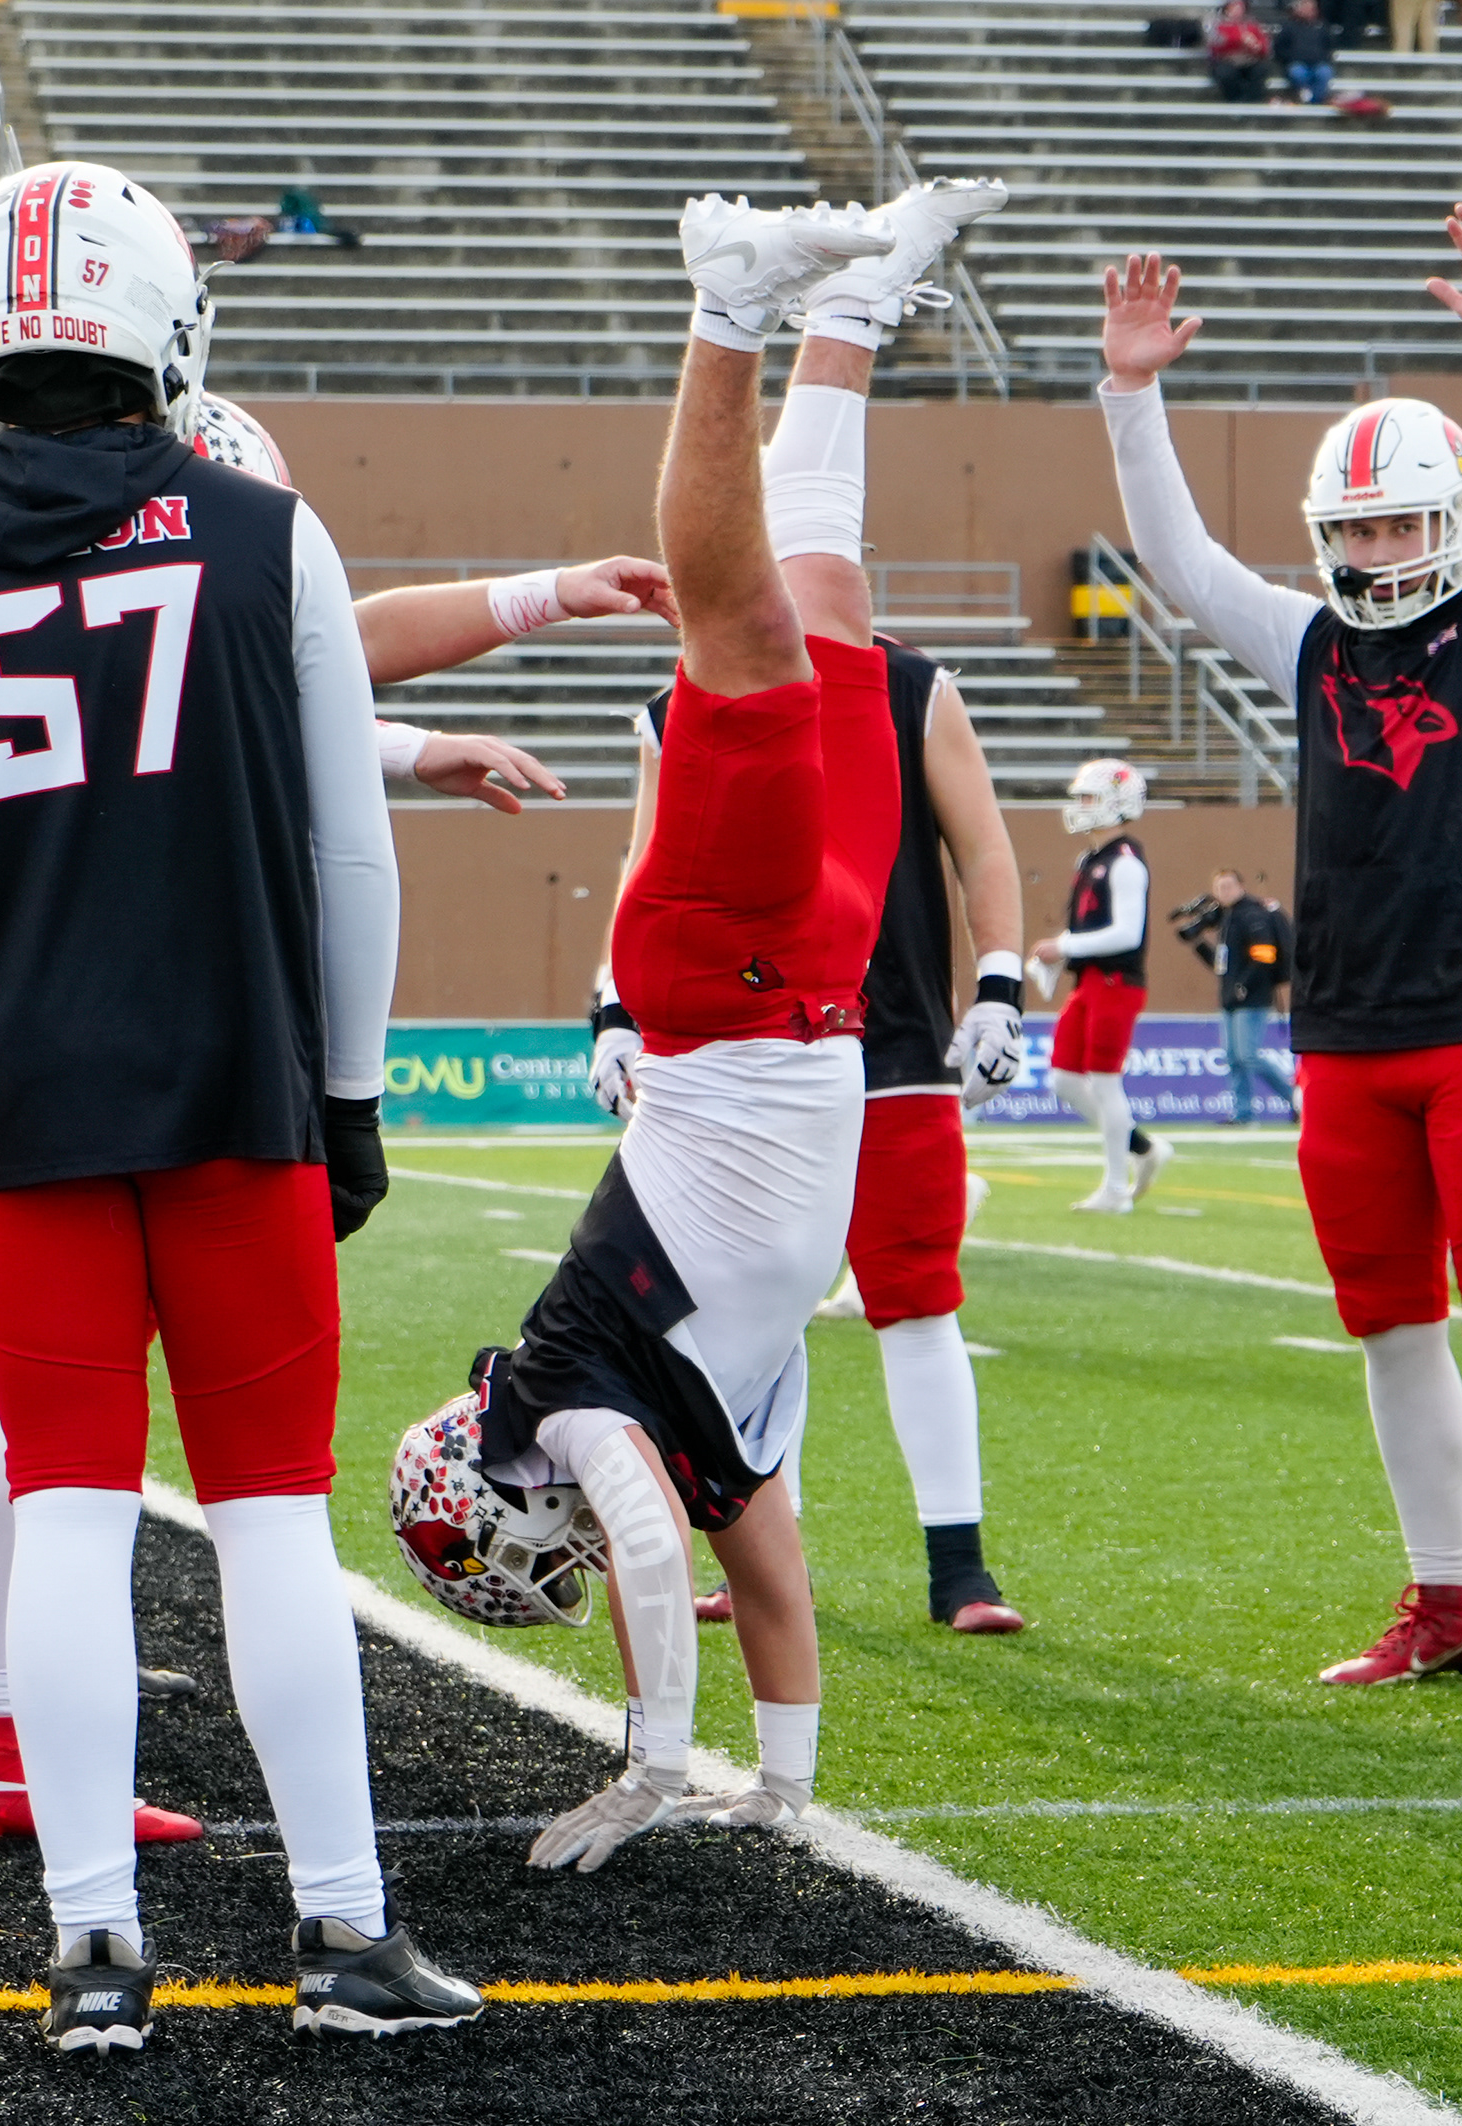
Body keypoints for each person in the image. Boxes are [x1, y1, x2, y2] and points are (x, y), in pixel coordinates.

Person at [0, 162, 485, 2052]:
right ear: (163, 328)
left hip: (28, 1105)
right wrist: (350, 1090)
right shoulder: (259, 529)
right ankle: (346, 1934)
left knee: (73, 1509)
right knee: (272, 1519)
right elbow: (351, 855)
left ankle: (96, 1950)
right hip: (233, 1087)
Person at [0, 397, 681, 1829]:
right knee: (65, 1421)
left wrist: (440, 727)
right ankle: (3, 1732)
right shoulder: (188, 557)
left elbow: (297, 682)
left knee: (44, 1402)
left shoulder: (7, 573)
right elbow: (304, 678)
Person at [406, 185, 946, 1879]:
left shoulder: (566, 1396)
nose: (562, 1558)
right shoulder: (687, 1416)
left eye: (529, 1557)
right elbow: (762, 1578)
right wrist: (779, 1787)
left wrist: (650, 1770)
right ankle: (860, 305)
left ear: (502, 1492)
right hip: (819, 1003)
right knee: (835, 609)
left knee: (753, 637)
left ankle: (726, 308)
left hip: (727, 987)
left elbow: (649, 1556)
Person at [1099, 207, 1462, 1703]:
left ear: (1454, 519)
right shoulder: (1313, 643)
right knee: (1390, 1325)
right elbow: (1183, 561)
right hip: (1348, 1038)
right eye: (1356, 530)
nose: (1375, 552)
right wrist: (1134, 395)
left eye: (1397, 525)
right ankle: (1445, 1594)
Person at [589, 181, 1035, 1640]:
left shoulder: (887, 676)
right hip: (757, 1023)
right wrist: (610, 1007)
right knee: (740, 1315)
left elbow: (981, 848)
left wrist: (999, 984)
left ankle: (955, 1558)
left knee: (904, 1300)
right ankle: (827, 305)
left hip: (860, 1018)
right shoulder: (714, 685)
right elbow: (648, 861)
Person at [1038, 759, 1160, 1212]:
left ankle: (1115, 1189)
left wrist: (1065, 943)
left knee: (1105, 1084)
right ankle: (1143, 1148)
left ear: (1117, 803)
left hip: (1116, 979)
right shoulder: (1090, 858)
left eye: (1089, 798)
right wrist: (1061, 954)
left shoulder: (1125, 863)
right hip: (1091, 978)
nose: (1082, 807)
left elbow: (1128, 933)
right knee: (1065, 1080)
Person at [1181, 868, 1299, 1124]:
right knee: (1234, 1058)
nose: (1224, 892)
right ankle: (1243, 1113)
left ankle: (1296, 1098)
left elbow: (1265, 954)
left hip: (1252, 998)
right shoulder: (1228, 919)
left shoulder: (1252, 914)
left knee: (1248, 1055)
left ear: (1240, 887)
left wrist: (1244, 985)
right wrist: (1199, 945)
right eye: (1220, 888)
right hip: (1231, 998)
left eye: (1229, 886)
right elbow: (1223, 964)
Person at [1208, 0, 1273, 102]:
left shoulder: (1253, 25)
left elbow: (1264, 48)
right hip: (1227, 61)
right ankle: (1234, 100)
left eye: (1240, 8)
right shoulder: (1218, 26)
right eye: (1234, 8)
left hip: (1250, 60)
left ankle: (1254, 101)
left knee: (1260, 70)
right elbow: (1215, 47)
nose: (1238, 11)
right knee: (1226, 73)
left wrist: (1256, 46)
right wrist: (1238, 40)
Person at [1277, 0, 1337, 105]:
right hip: (1297, 64)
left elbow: (1329, 47)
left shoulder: (1322, 27)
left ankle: (1314, 101)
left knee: (1324, 73)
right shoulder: (1288, 27)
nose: (1309, 10)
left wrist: (1323, 58)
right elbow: (1279, 48)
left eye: (1312, 8)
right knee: (1298, 73)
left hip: (1318, 64)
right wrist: (1290, 59)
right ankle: (1308, 100)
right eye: (1305, 7)